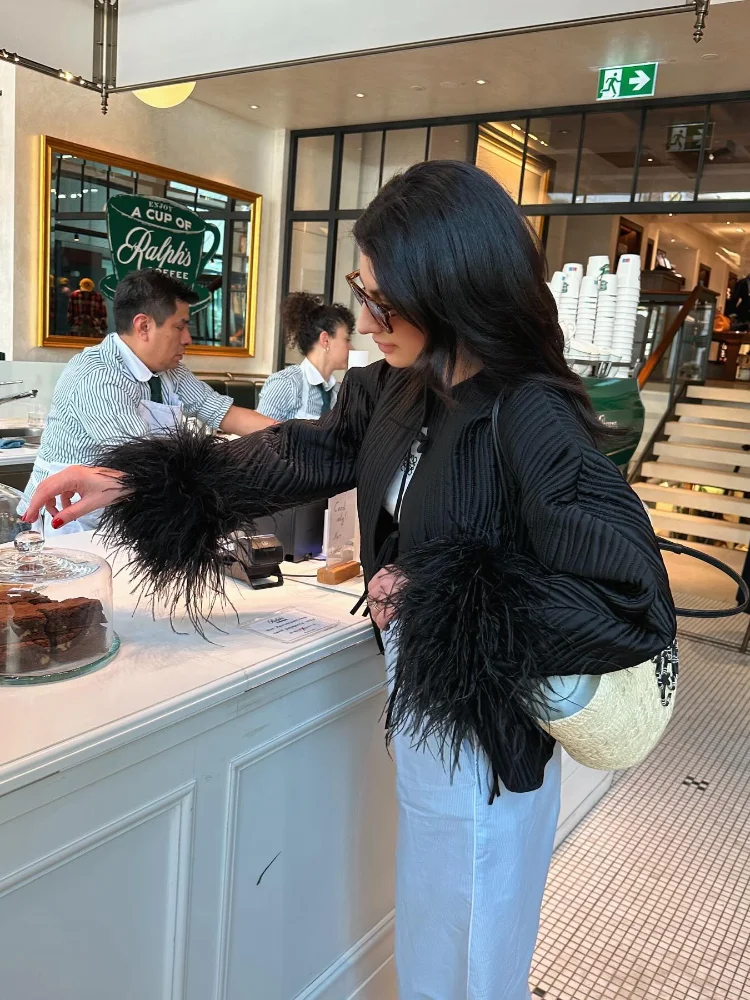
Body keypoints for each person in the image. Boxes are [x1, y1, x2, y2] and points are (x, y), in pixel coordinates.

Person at [25, 162, 676, 998]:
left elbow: (632, 601)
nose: (365, 323)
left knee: (469, 957)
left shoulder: (532, 415)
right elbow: (295, 453)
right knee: (438, 942)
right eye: (360, 295)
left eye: (384, 302)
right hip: (425, 712)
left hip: (487, 742)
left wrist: (437, 595)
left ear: (451, 288)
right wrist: (133, 482)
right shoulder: (396, 390)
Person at [20, 268, 273, 533]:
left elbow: (226, 414)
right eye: (180, 326)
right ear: (144, 326)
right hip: (72, 524)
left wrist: (302, 436)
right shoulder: (97, 375)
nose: (188, 339)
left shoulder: (169, 372)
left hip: (128, 512)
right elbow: (146, 464)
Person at [257, 292, 354, 421]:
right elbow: (259, 436)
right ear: (325, 340)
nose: (352, 348)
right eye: (347, 340)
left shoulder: (339, 392)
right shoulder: (286, 384)